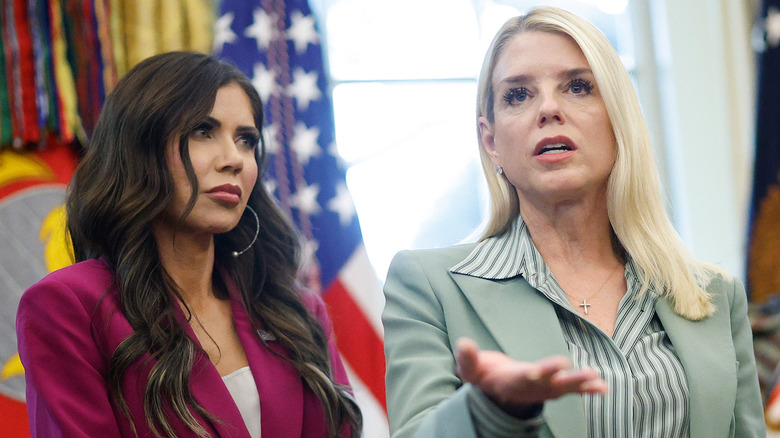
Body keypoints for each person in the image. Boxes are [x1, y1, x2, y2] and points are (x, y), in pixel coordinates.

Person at [382, 7, 765, 438]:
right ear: (491, 142)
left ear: (619, 121)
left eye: (578, 87)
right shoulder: (430, 287)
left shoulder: (714, 294)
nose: (548, 108)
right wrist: (492, 411)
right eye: (518, 95)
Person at [16, 51, 361, 438]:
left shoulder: (297, 310)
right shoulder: (67, 306)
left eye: (246, 140)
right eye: (203, 131)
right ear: (140, 148)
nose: (233, 159)